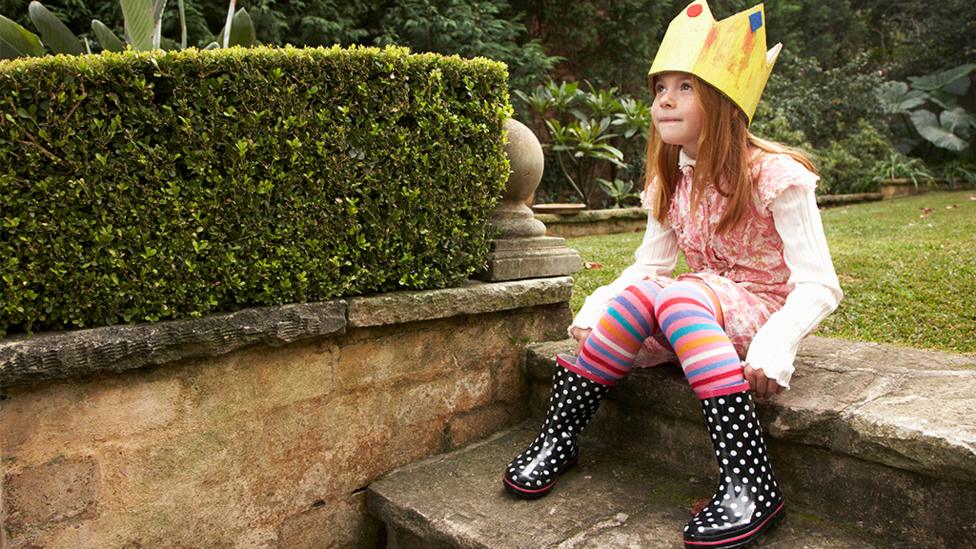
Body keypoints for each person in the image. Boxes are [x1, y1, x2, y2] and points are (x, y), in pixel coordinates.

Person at [501, 1, 843, 547]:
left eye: (686, 86)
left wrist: (777, 343)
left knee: (679, 296)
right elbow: (649, 266)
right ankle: (559, 438)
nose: (664, 98)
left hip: (758, 309)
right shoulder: (670, 182)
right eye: (661, 86)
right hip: (698, 310)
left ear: (725, 101)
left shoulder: (777, 175)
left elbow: (820, 284)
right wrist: (600, 306)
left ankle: (751, 483)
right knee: (646, 297)